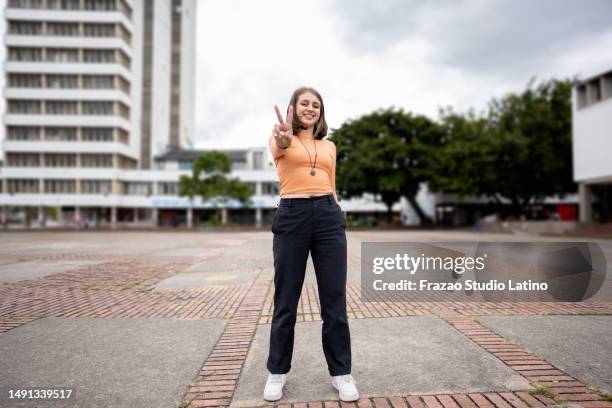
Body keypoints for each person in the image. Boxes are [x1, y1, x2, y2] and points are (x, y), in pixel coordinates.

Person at [263, 87, 358, 402]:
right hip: (293, 214)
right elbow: (279, 146)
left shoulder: (329, 147)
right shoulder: (280, 138)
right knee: (286, 300)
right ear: (293, 107)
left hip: (328, 217)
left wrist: (336, 213)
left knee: (334, 300)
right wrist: (283, 137)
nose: (310, 108)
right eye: (304, 103)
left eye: (315, 105)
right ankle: (277, 373)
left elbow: (332, 186)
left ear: (321, 111)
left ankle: (341, 373)